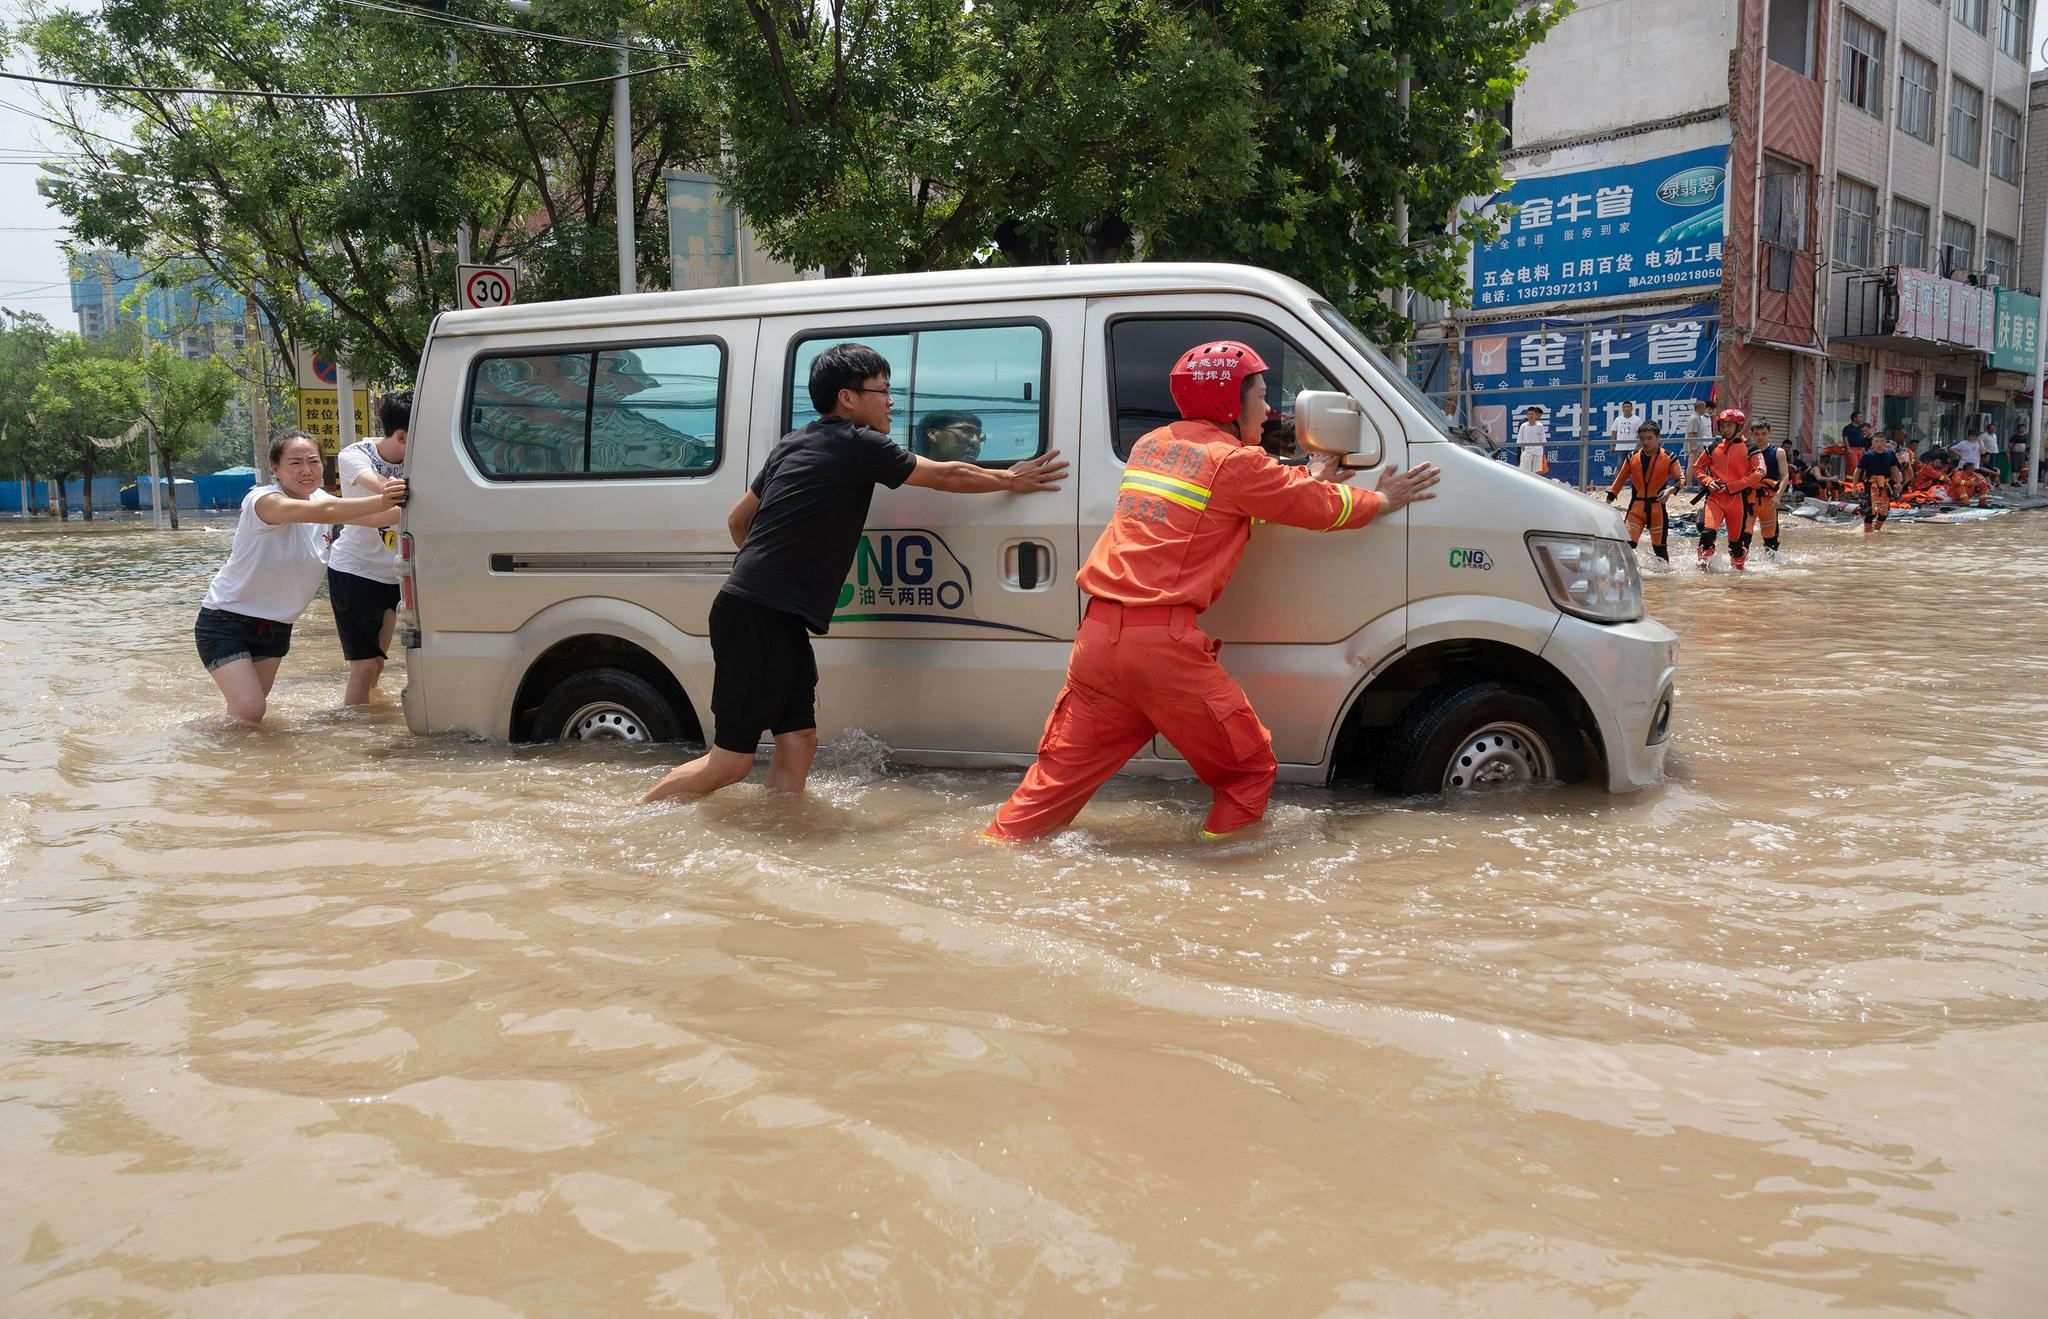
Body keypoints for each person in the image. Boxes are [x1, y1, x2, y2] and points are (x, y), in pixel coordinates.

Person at [986, 339, 1441, 842]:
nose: (1269, 409)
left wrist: (1305, 476)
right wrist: (1380, 497)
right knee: (1246, 773)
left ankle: (985, 855)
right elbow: (1316, 508)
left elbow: (1221, 497)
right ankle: (1218, 870)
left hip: (1097, 643)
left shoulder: (1152, 446)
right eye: (1262, 396)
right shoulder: (1237, 465)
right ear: (1229, 402)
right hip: (1162, 651)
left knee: (1049, 789)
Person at [639, 343, 1068, 805]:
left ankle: (776, 834)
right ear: (848, 398)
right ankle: (634, 819)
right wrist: (1010, 479)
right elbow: (945, 476)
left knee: (800, 741)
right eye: (883, 391)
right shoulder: (857, 443)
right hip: (758, 614)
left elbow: (737, 521)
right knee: (730, 762)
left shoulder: (795, 440)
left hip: (768, 612)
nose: (891, 402)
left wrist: (776, 569)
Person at [195, 431, 408, 724]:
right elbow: (326, 512)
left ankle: (227, 755)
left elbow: (374, 519)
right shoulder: (263, 500)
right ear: (275, 468)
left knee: (247, 716)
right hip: (227, 621)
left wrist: (419, 503)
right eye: (295, 463)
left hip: (276, 626)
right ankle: (209, 758)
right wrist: (385, 497)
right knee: (249, 709)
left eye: (314, 461)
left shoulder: (320, 497)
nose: (306, 470)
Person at [326, 391, 410, 706]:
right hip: (354, 571)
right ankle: (354, 741)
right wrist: (398, 494)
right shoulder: (355, 454)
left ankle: (369, 722)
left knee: (377, 665)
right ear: (402, 436)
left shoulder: (417, 455)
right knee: (363, 667)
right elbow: (376, 484)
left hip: (394, 575)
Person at [1691, 408, 1763, 570]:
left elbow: (1760, 472)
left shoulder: (1750, 447)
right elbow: (1697, 468)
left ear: (1739, 426)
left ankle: (1738, 575)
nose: (1725, 429)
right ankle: (1702, 568)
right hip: (1714, 498)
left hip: (1738, 500)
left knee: (1736, 545)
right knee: (1707, 534)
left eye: (1728, 426)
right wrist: (1709, 481)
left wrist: (1733, 486)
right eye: (1722, 426)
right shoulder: (1714, 445)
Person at [1605, 418, 1681, 562]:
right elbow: (1619, 481)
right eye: (1642, 439)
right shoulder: (1632, 458)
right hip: (1636, 508)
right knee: (1627, 545)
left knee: (1660, 553)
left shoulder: (1669, 458)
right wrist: (1607, 502)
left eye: (1649, 438)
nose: (1645, 442)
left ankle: (1663, 583)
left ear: (1658, 437)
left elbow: (1680, 480)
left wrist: (1670, 491)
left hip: (1657, 509)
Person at [1746, 418, 1788, 555]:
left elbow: (1785, 476)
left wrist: (1778, 496)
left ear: (1769, 433)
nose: (1760, 437)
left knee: (1771, 540)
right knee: (1743, 536)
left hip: (1769, 500)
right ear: (1751, 434)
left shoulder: (1778, 452)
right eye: (1757, 434)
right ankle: (1740, 567)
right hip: (1748, 499)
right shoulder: (1745, 451)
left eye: (1764, 433)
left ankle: (1771, 568)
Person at [1856, 434, 1902, 531]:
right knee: (1871, 511)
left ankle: (1876, 531)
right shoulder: (1867, 455)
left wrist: (1898, 482)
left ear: (1885, 442)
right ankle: (1867, 533)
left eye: (1881, 441)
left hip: (1885, 484)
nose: (1878, 444)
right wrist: (1854, 486)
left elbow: (1894, 469)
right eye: (1876, 441)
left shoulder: (1890, 454)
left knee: (1884, 512)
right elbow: (1857, 471)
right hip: (1871, 484)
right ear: (1872, 442)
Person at [913, 410, 984, 463]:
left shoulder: (983, 479)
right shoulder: (907, 477)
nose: (975, 441)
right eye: (966, 430)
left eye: (978, 434)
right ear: (933, 434)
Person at [1515, 405, 1548, 475]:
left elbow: (1543, 440)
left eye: (1532, 414)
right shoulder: (1523, 425)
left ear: (1535, 414)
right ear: (1527, 415)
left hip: (1538, 452)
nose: (1531, 416)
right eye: (1529, 414)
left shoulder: (1540, 426)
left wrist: (1542, 453)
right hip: (1527, 451)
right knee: (1524, 472)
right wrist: (1523, 449)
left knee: (1535, 473)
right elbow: (1519, 440)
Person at [1841, 410, 1869, 475]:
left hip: (1861, 449)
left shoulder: (1861, 428)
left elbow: (1864, 437)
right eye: (1860, 417)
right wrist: (1848, 449)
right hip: (1852, 449)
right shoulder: (1847, 428)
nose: (1861, 419)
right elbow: (1845, 439)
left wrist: (1864, 448)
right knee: (1853, 466)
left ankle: (1859, 481)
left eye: (1862, 417)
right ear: (1854, 418)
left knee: (1861, 466)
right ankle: (1850, 482)